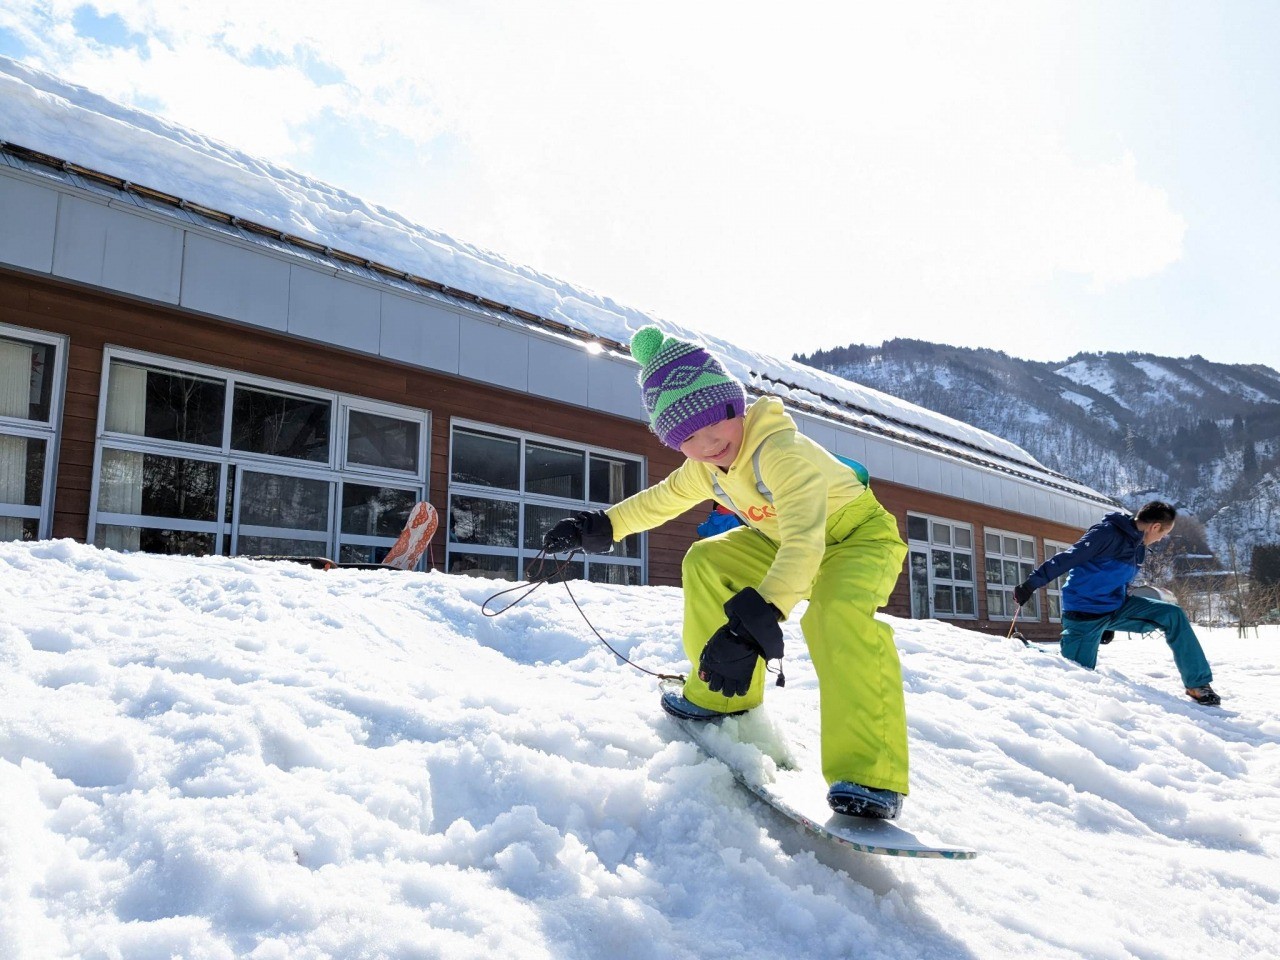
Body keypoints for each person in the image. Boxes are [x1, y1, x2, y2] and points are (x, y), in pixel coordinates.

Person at [542, 326, 910, 819]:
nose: (707, 442)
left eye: (713, 420)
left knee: (835, 615)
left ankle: (870, 776)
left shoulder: (780, 452)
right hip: (780, 540)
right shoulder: (705, 467)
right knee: (707, 560)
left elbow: (806, 541)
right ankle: (718, 696)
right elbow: (660, 500)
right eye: (686, 437)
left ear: (735, 406)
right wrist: (601, 526)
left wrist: (756, 621)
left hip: (855, 538)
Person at [1013, 501, 1221, 706]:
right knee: (1075, 669)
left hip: (1116, 608)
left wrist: (1110, 622)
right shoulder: (1106, 534)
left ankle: (1198, 685)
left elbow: (1119, 580)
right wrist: (1030, 585)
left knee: (1172, 614)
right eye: (1164, 533)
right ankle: (1028, 647)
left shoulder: (1139, 547)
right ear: (1155, 526)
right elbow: (1067, 558)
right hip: (1084, 612)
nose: (1161, 539)